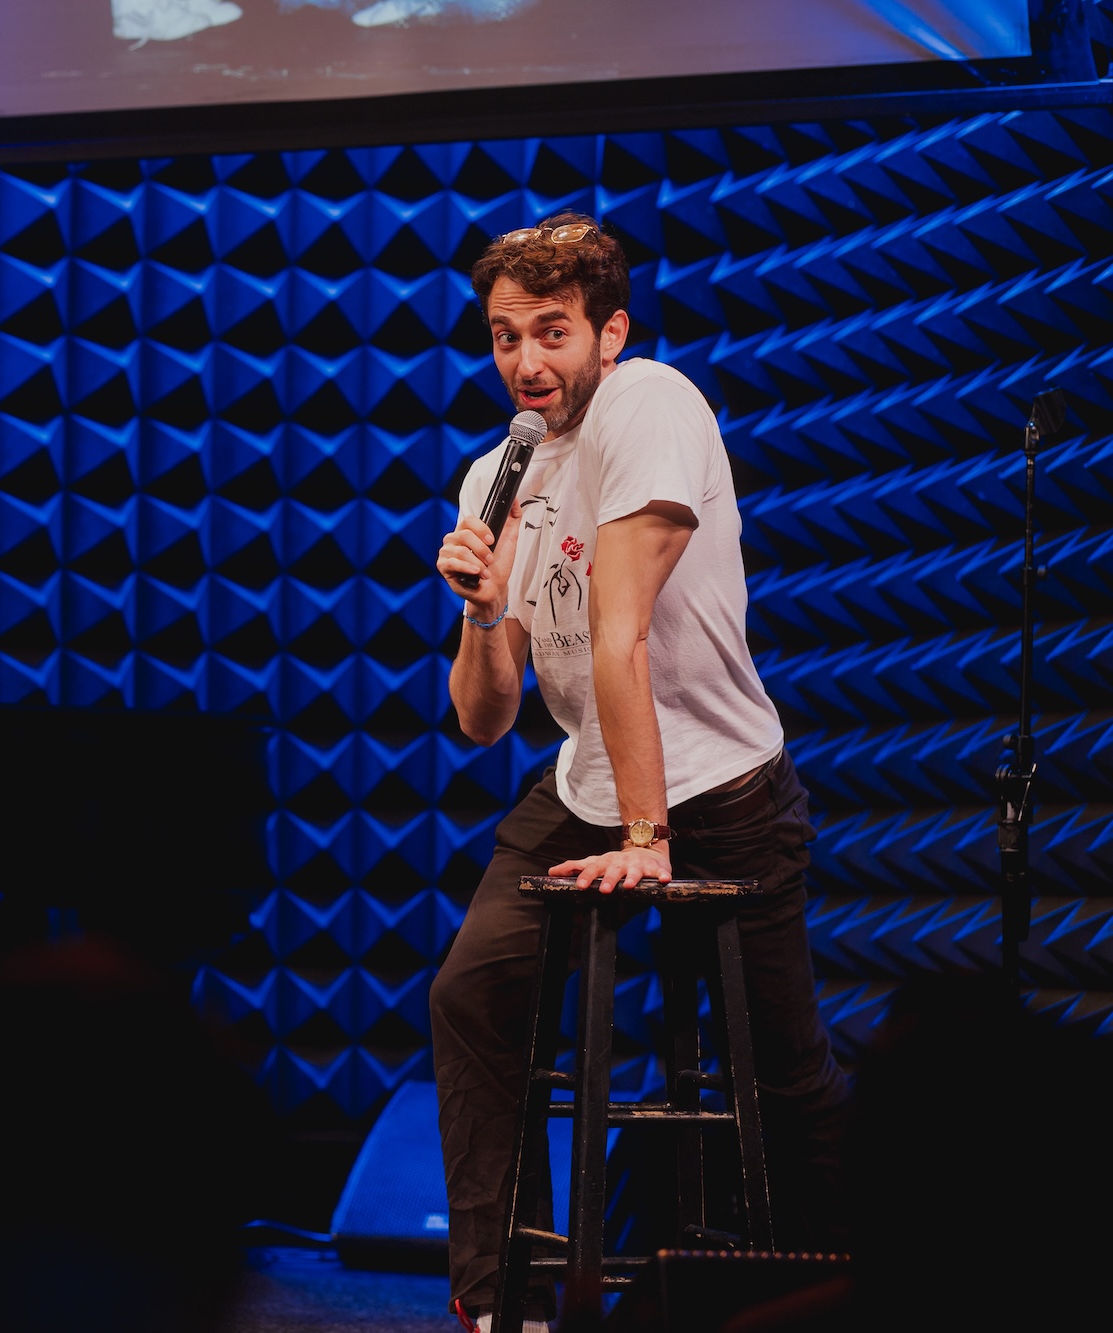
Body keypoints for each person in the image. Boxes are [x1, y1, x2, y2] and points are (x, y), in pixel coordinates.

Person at [428, 214, 850, 1331]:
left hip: (719, 785)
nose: (526, 361)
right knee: (471, 991)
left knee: (783, 1069)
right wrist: (483, 610)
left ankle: (847, 1282)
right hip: (589, 783)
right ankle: (498, 1303)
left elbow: (620, 635)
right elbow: (483, 718)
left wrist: (648, 840)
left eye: (551, 331)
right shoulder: (496, 474)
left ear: (609, 333)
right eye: (505, 335)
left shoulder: (649, 403)